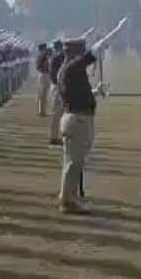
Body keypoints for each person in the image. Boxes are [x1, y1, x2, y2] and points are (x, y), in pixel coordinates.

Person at [57, 37, 97, 214]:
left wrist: (95, 92)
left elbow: (77, 92)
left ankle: (68, 197)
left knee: (72, 162)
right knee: (74, 163)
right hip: (77, 119)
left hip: (75, 117)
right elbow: (93, 53)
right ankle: (68, 201)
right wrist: (117, 29)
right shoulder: (72, 67)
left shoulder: (68, 69)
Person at [47, 40, 66, 145]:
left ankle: (56, 136)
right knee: (57, 113)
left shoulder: (55, 57)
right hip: (58, 86)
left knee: (59, 113)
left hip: (57, 86)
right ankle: (54, 137)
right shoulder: (58, 58)